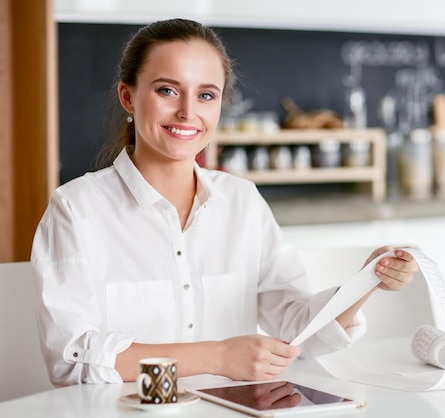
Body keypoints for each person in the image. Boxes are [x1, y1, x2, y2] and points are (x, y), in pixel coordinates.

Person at [30, 18, 419, 388]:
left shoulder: (242, 201)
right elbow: (72, 360)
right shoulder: (76, 209)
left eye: (205, 95)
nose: (187, 111)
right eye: (167, 90)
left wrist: (366, 280)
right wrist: (217, 357)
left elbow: (297, 326)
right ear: (128, 97)